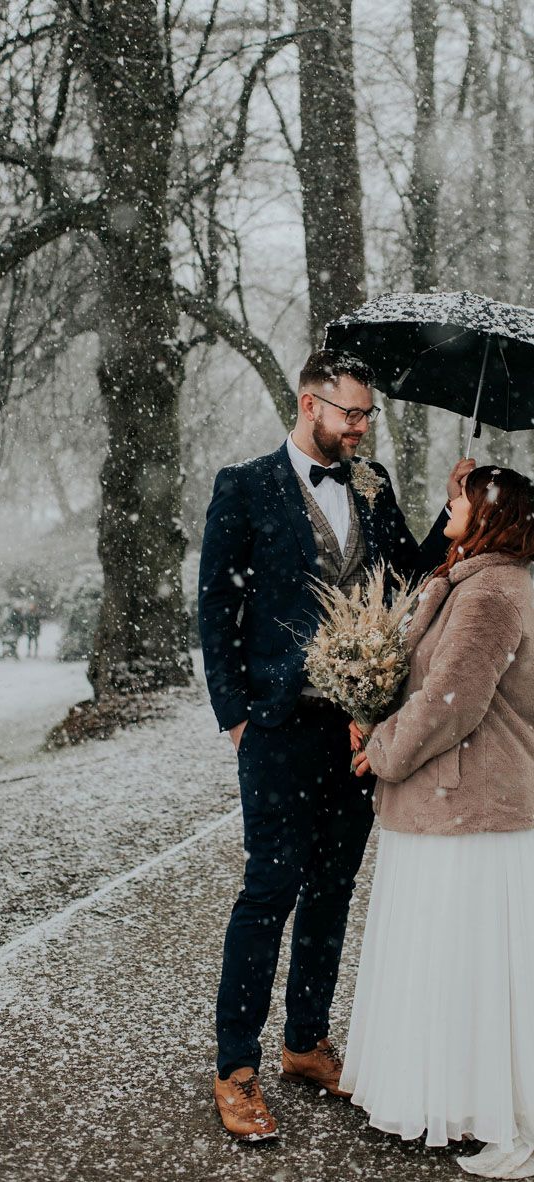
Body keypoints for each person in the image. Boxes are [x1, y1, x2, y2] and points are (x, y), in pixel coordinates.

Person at [198, 349, 472, 1141]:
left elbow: (412, 574)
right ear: (309, 402)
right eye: (349, 412)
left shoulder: (373, 482)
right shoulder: (244, 487)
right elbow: (216, 605)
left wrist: (450, 512)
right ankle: (236, 1068)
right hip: (279, 726)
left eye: (366, 416)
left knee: (332, 888)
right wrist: (237, 713)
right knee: (269, 891)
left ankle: (305, 1043)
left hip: (358, 728)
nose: (360, 427)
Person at [343, 465, 534, 1180]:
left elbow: (453, 700)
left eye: (459, 499)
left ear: (489, 514)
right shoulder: (467, 580)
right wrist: (369, 711)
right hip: (445, 802)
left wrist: (382, 749)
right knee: (447, 960)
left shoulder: (492, 593)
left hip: (471, 805)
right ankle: (453, 1097)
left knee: (472, 964)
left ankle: (501, 1115)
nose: (447, 506)